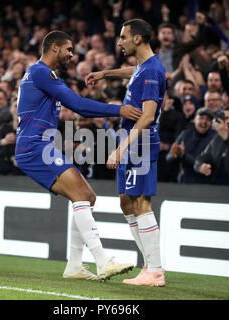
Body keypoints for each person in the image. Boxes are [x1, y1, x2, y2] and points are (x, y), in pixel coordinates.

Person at [15, 31, 140, 281]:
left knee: (87, 197)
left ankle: (74, 266)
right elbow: (79, 104)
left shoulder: (44, 75)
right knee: (82, 195)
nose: (72, 55)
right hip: (34, 146)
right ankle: (103, 261)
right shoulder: (41, 72)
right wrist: (119, 109)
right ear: (53, 48)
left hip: (42, 146)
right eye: (68, 49)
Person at [86, 19, 166, 287]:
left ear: (139, 39)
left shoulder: (153, 70)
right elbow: (133, 72)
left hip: (140, 143)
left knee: (141, 203)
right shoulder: (143, 67)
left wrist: (120, 149)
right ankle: (149, 265)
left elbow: (148, 116)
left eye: (123, 37)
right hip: (131, 141)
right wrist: (105, 74)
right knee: (125, 202)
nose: (119, 42)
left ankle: (154, 270)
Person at [167, 107, 216, 184]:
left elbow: (207, 163)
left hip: (205, 185)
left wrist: (184, 156)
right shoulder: (185, 134)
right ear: (194, 119)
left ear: (212, 123)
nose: (204, 121)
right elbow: (168, 158)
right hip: (184, 183)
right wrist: (175, 155)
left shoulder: (215, 138)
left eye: (208, 119)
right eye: (201, 118)